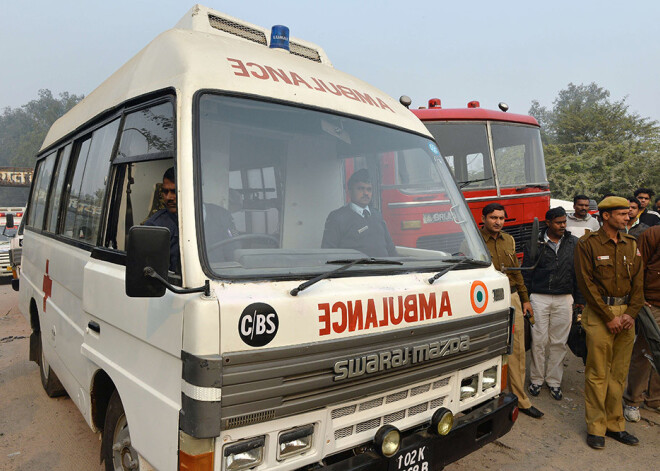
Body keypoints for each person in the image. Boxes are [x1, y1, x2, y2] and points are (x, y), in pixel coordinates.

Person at [574, 196, 644, 449]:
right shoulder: (587, 244)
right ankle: (596, 427)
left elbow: (639, 282)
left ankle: (616, 425)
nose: (629, 217)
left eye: (629, 214)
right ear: (606, 216)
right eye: (623, 214)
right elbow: (585, 283)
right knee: (597, 373)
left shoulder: (631, 243)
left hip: (626, 314)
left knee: (619, 373)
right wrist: (609, 317)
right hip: (600, 312)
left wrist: (630, 313)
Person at [480, 203, 543, 418]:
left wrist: (525, 300)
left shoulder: (509, 240)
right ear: (484, 219)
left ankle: (520, 400)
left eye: (501, 218)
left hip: (513, 296)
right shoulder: (473, 241)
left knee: (516, 350)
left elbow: (516, 272)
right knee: (487, 347)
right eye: (493, 218)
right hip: (487, 301)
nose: (498, 222)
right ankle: (483, 399)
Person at [523, 207, 584, 401]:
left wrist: (579, 301)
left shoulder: (573, 242)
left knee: (559, 342)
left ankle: (554, 382)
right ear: (548, 222)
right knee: (539, 341)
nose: (563, 226)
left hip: (565, 297)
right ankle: (536, 380)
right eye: (558, 222)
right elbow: (526, 272)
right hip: (539, 298)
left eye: (564, 222)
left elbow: (578, 273)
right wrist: (526, 299)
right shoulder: (535, 243)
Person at [623, 225, 660, 421]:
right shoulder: (652, 234)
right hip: (651, 302)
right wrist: (639, 297)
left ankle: (654, 399)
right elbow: (637, 268)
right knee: (645, 351)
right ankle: (632, 401)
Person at [322, 169, 396, 257]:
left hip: (384, 268)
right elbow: (328, 252)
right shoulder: (337, 217)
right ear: (349, 192)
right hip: (355, 270)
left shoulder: (377, 215)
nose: (366, 193)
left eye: (369, 189)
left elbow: (390, 248)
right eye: (361, 189)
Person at [144, 167, 180, 272]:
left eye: (174, 191)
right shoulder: (155, 226)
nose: (169, 197)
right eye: (165, 191)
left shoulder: (220, 216)